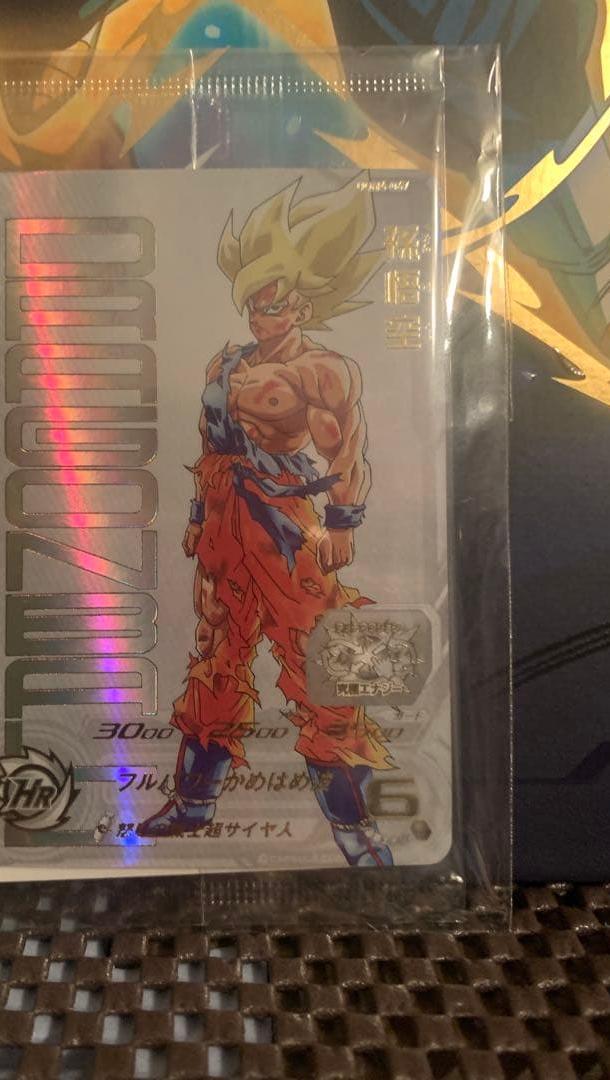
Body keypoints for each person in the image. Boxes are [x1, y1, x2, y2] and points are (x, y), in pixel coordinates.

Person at [138, 176, 395, 866]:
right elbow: (208, 444)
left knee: (318, 662)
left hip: (286, 524)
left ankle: (355, 831)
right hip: (225, 522)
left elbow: (347, 448)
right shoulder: (225, 363)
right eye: (253, 302)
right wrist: (198, 516)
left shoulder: (323, 370)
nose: (259, 314)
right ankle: (192, 805)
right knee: (216, 654)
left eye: (273, 303)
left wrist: (342, 521)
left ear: (301, 306)